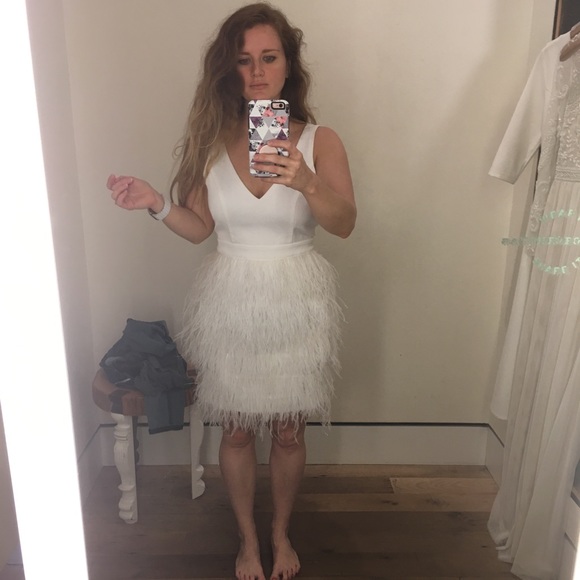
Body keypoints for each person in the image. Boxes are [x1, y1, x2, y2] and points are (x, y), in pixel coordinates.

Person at [107, 3, 355, 579]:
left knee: (289, 430)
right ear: (229, 69)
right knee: (237, 428)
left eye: (269, 58)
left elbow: (344, 223)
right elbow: (200, 229)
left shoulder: (321, 140)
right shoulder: (211, 141)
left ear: (289, 65)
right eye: (244, 61)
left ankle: (280, 533)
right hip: (232, 301)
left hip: (296, 300)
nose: (258, 72)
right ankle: (247, 540)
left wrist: (306, 180)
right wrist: (155, 202)